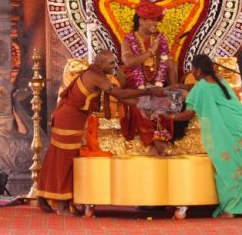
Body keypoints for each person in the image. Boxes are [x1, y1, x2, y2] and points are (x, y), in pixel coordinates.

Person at [37, 50, 164, 215]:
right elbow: (119, 93)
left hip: (72, 118)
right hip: (69, 119)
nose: (114, 66)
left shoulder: (99, 74)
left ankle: (45, 196)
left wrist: (146, 102)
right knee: (64, 160)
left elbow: (122, 98)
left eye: (115, 62)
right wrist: (147, 92)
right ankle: (61, 205)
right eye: (111, 63)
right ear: (101, 63)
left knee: (58, 157)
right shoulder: (94, 75)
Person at [162, 54, 242, 218]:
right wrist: (177, 86)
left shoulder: (202, 86)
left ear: (198, 70)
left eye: (193, 70)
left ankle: (230, 210)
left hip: (227, 130)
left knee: (226, 168)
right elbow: (196, 89)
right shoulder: (220, 80)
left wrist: (168, 116)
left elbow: (187, 115)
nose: (192, 73)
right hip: (241, 126)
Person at [120, 0, 176, 153]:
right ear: (141, 20)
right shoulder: (128, 40)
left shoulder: (160, 40)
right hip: (136, 88)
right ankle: (154, 141)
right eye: (152, 19)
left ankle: (163, 139)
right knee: (141, 105)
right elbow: (128, 62)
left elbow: (167, 64)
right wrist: (150, 51)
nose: (155, 23)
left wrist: (173, 88)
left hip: (156, 86)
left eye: (157, 20)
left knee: (167, 103)